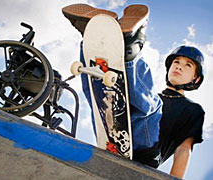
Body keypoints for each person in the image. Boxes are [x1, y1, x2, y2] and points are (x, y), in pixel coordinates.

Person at [62, 4, 205, 179]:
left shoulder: (192, 110)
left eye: (187, 65)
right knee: (101, 90)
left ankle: (131, 47)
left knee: (151, 106)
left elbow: (184, 150)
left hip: (146, 154)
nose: (179, 67)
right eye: (176, 62)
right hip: (115, 132)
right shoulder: (148, 93)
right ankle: (95, 38)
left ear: (195, 79)